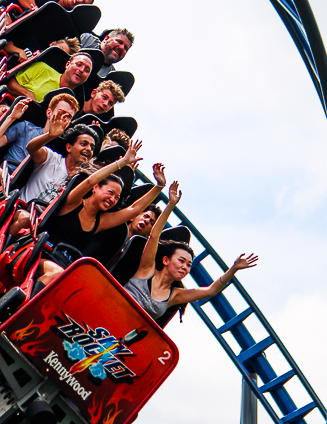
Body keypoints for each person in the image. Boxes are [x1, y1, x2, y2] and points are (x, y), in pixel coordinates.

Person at [124, 181, 258, 322]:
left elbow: (210, 290)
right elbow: (154, 236)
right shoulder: (147, 270)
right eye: (181, 261)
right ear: (166, 260)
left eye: (188, 265)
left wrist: (234, 268)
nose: (185, 267)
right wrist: (170, 205)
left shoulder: (175, 295)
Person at [36, 143, 166, 281]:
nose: (113, 199)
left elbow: (134, 210)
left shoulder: (100, 222)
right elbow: (89, 181)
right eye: (110, 193)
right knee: (56, 274)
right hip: (40, 252)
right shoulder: (73, 203)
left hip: (63, 265)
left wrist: (159, 186)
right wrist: (122, 162)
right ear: (96, 187)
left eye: (117, 197)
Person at [0, 93, 79, 196]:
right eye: (61, 112)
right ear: (49, 113)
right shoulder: (26, 128)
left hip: (29, 191)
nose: (63, 117)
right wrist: (11, 117)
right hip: (5, 174)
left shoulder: (63, 151)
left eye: (68, 116)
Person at [19, 120, 99, 204]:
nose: (89, 149)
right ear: (69, 147)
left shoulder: (79, 181)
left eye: (92, 148)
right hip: (20, 208)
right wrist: (49, 136)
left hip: (43, 217)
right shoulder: (51, 158)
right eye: (83, 144)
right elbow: (31, 148)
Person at [6, 51, 93, 103]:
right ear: (67, 65)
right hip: (8, 105)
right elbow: (8, 83)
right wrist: (27, 94)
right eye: (79, 64)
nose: (81, 70)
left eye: (87, 70)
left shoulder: (70, 102)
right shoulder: (42, 68)